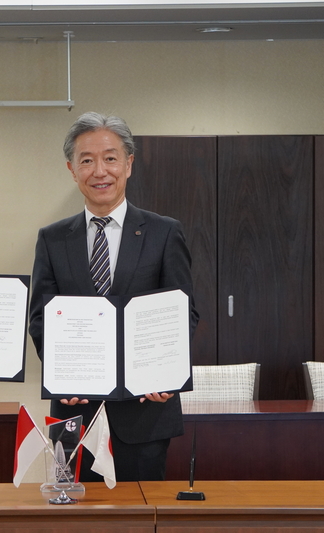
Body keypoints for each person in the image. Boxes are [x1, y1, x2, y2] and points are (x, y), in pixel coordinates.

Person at [29, 112, 199, 482]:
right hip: (75, 413)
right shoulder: (52, 238)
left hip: (145, 413)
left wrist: (165, 374)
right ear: (72, 170)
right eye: (86, 160)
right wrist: (62, 376)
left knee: (140, 517)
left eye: (110, 158)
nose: (99, 171)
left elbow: (182, 313)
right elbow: (41, 317)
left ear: (129, 164)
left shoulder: (164, 233)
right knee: (74, 518)